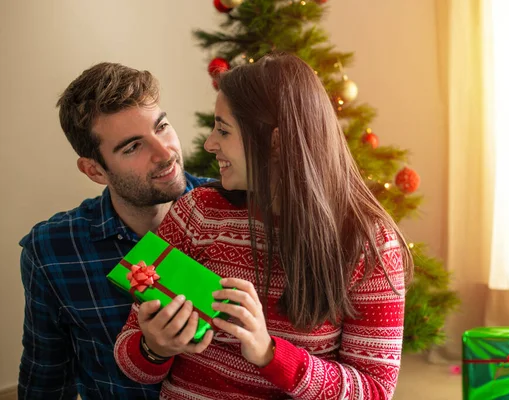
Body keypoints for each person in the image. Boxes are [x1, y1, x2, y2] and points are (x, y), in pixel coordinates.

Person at [115, 53, 413, 400]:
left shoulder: (368, 244)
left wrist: (269, 352)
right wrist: (154, 347)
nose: (209, 144)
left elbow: (375, 391)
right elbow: (128, 357)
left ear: (274, 142)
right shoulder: (195, 212)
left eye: (223, 130)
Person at [19, 62, 213, 400]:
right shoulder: (52, 250)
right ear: (94, 170)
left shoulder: (235, 213)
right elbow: (46, 377)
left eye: (162, 126)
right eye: (133, 146)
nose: (165, 152)